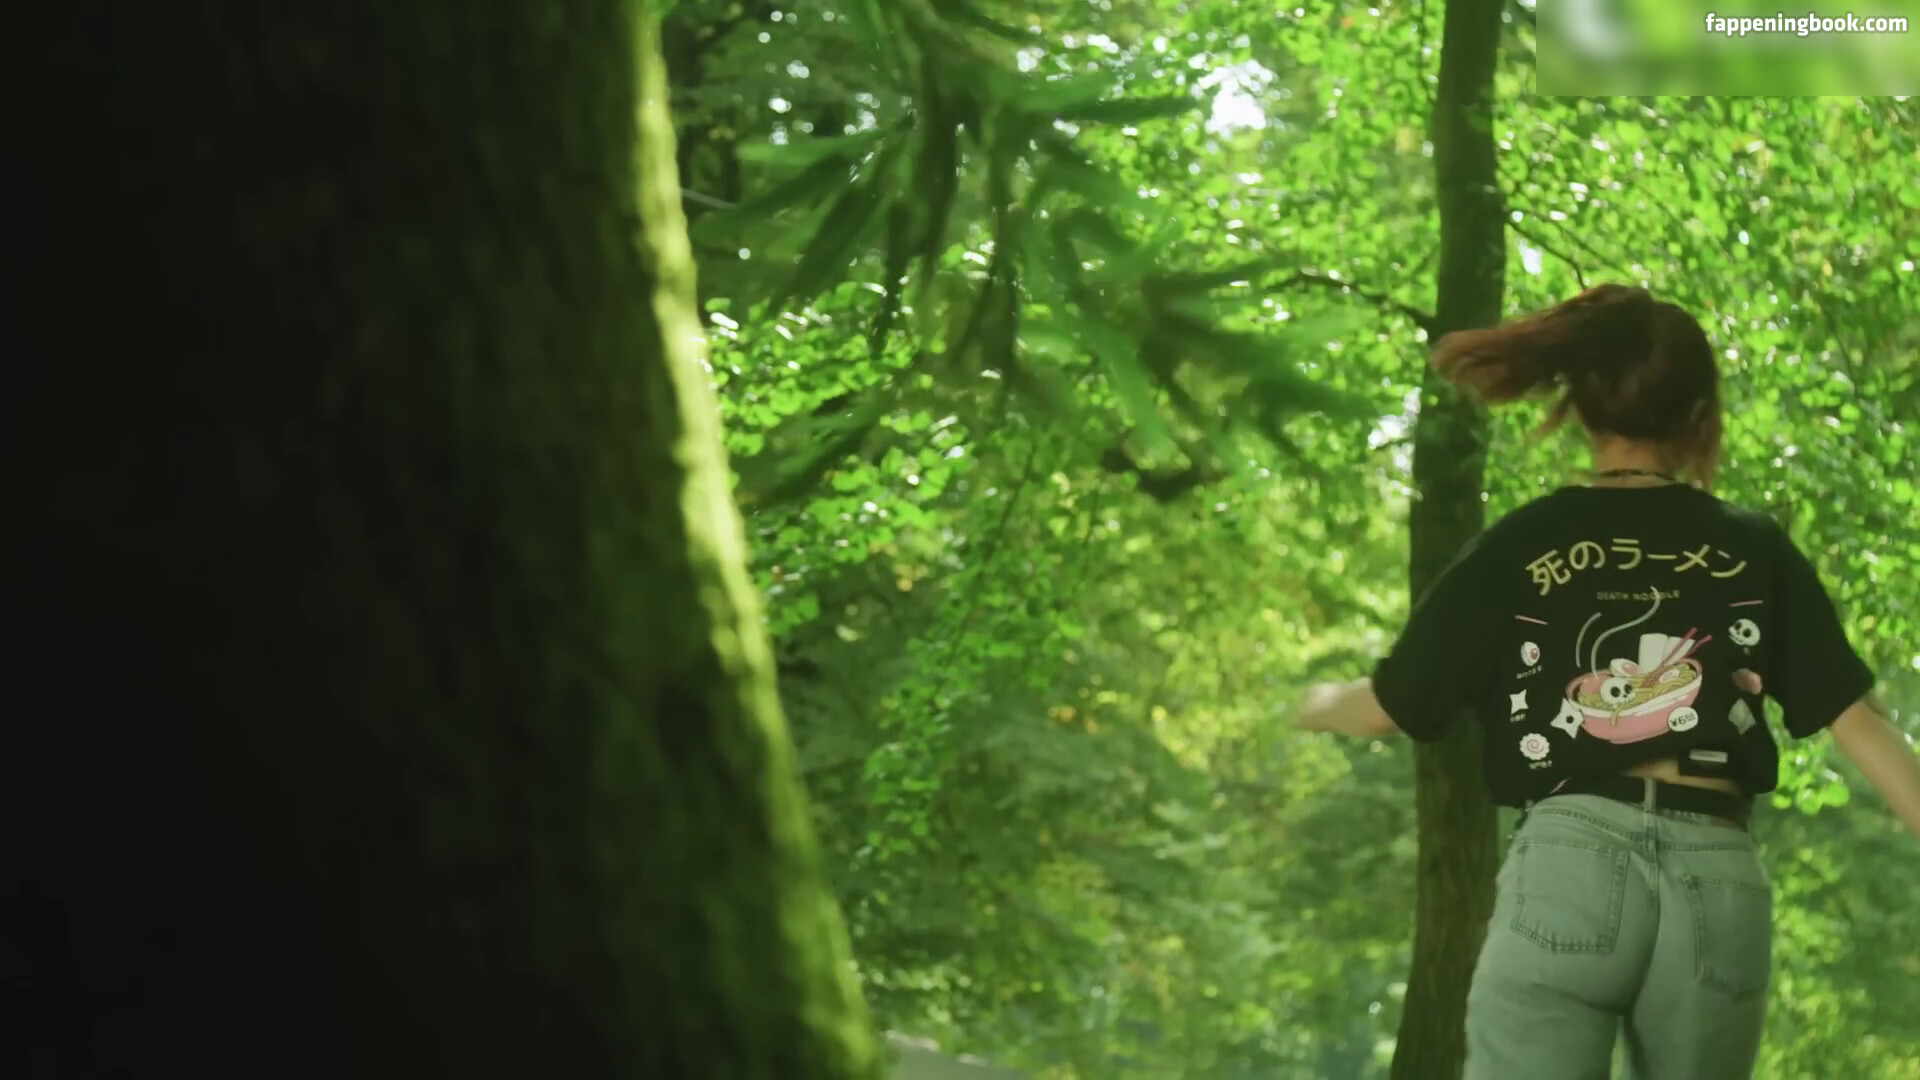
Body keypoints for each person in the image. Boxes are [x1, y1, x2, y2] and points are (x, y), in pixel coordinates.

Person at [1290, 284, 1920, 1080]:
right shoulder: (1754, 548)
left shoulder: (1522, 543)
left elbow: (1388, 707)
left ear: (1581, 410)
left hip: (1570, 863)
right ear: (1700, 416)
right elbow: (1861, 724)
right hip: (1716, 874)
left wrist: (1302, 704)